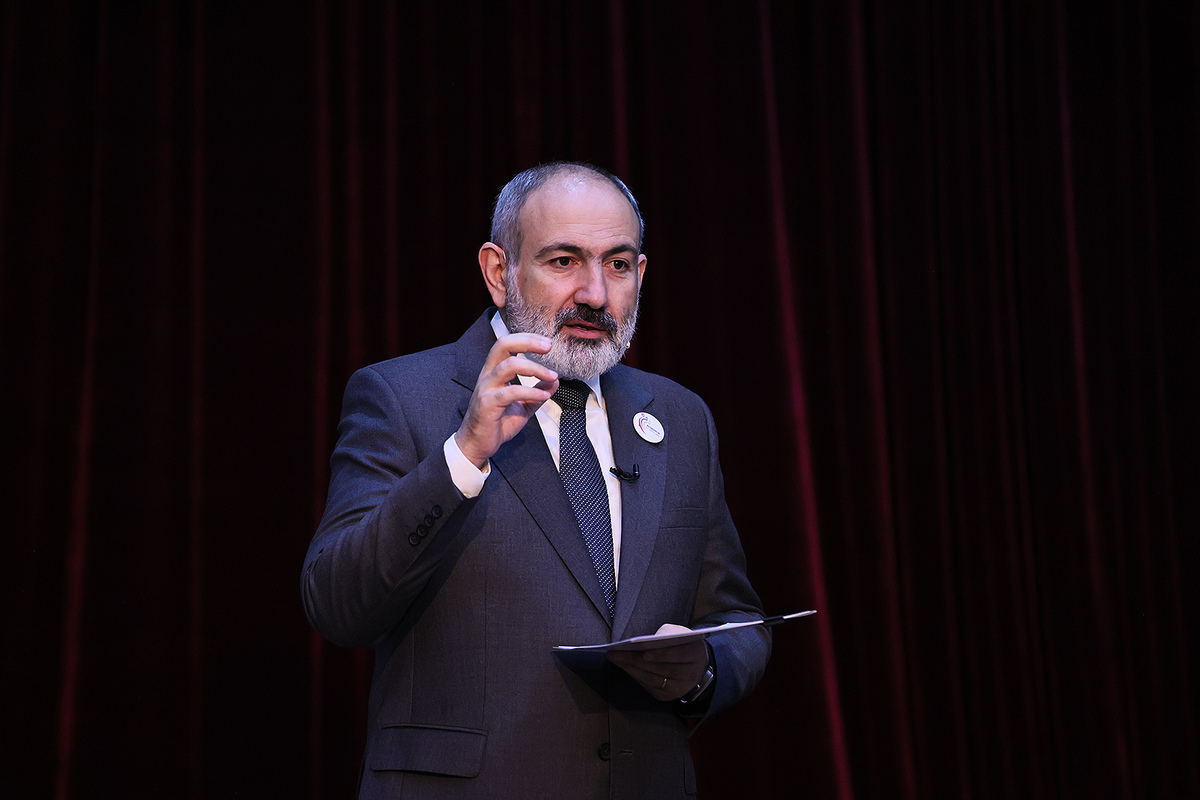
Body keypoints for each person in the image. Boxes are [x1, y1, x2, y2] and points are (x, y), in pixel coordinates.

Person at [302, 162, 771, 799]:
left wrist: (704, 668)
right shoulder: (400, 396)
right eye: (563, 261)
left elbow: (737, 618)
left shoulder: (681, 417)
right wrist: (464, 452)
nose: (595, 294)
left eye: (617, 264)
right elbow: (338, 605)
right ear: (499, 272)